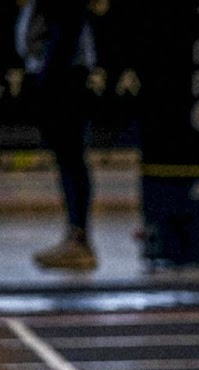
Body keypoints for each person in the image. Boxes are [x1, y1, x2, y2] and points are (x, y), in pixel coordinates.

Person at [16, 0, 97, 271]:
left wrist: (49, 79)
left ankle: (79, 239)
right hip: (56, 75)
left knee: (71, 156)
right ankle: (75, 236)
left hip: (64, 79)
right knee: (67, 157)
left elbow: (68, 28)